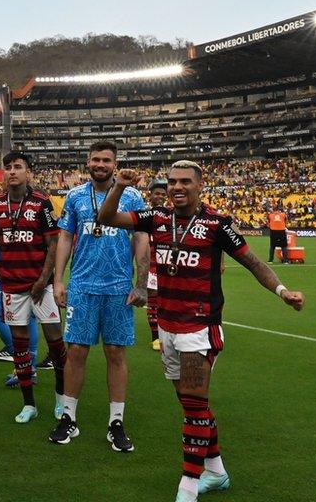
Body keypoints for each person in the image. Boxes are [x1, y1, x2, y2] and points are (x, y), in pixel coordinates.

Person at [98, 160, 304, 502]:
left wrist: (283, 291)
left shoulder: (216, 223)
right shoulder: (156, 217)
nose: (178, 187)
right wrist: (119, 185)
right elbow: (106, 218)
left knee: (194, 405)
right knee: (191, 404)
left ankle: (188, 485)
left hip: (200, 327)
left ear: (199, 185)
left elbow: (252, 261)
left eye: (185, 182)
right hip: (167, 325)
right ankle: (216, 471)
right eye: (173, 181)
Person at [49, 140, 148, 452]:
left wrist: (141, 282)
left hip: (119, 287)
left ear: (115, 164)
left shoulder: (132, 196)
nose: (101, 164)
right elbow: (65, 237)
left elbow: (142, 237)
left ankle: (115, 422)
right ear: (87, 163)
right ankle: (68, 417)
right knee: (76, 351)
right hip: (82, 285)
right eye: (96, 159)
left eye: (107, 160)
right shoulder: (75, 195)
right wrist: (58, 280)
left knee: (116, 353)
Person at [0, 152, 67, 423]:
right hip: (11, 286)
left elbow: (52, 244)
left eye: (18, 167)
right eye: (7, 167)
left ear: (28, 172)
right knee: (20, 348)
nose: (12, 171)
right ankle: (28, 404)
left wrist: (44, 280)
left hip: (40, 287)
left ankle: (61, 398)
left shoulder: (42, 202)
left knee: (55, 343)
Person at [146, 179, 169, 350]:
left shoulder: (171, 215)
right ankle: (155, 337)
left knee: (169, 299)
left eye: (163, 194)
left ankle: (169, 331)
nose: (160, 196)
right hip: (151, 264)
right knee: (153, 298)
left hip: (168, 263)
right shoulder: (144, 215)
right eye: (157, 193)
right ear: (150, 195)